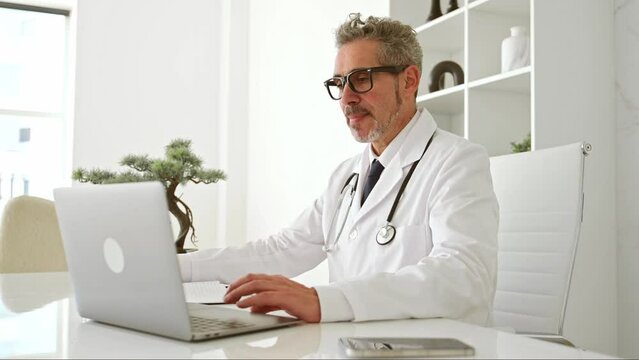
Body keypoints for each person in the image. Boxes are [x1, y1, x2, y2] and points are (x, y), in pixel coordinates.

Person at [178, 13, 499, 326]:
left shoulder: (457, 160)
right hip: (352, 344)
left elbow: (464, 274)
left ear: (409, 80)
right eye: (338, 83)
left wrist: (323, 301)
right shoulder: (347, 176)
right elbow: (282, 249)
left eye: (361, 79)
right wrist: (177, 268)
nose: (346, 98)